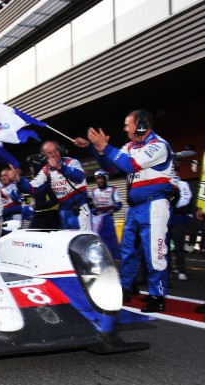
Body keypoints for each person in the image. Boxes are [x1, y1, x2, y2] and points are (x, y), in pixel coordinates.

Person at [76, 109, 174, 313]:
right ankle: (126, 289)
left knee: (155, 253)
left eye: (127, 124)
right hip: (135, 208)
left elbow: (130, 165)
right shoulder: (130, 146)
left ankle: (158, 296)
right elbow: (111, 166)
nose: (124, 129)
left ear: (141, 125)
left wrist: (105, 146)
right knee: (128, 251)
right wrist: (96, 149)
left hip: (155, 205)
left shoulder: (159, 146)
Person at [8, 140, 90, 230]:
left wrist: (59, 167)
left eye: (55, 150)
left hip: (79, 211)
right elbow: (31, 188)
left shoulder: (71, 162)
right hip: (63, 212)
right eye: (49, 153)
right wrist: (18, 179)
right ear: (44, 157)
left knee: (82, 241)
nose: (54, 154)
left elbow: (79, 177)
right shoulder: (46, 170)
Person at [90, 170, 122, 260]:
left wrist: (114, 208)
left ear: (105, 179)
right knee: (97, 240)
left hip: (108, 218)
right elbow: (90, 207)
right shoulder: (93, 191)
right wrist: (95, 211)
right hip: (97, 220)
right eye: (98, 179)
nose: (100, 181)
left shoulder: (113, 189)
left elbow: (119, 203)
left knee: (111, 239)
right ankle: (99, 258)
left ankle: (115, 258)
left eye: (101, 179)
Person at [169, 165, 193, 281]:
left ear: (177, 172)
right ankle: (167, 270)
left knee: (179, 247)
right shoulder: (165, 184)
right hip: (166, 220)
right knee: (165, 248)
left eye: (174, 170)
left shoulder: (183, 184)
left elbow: (186, 199)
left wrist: (173, 206)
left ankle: (181, 270)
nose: (172, 172)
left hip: (179, 220)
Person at [25, 154, 60, 229]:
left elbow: (56, 200)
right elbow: (31, 198)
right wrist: (28, 202)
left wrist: (37, 206)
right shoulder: (34, 181)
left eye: (32, 166)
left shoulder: (49, 179)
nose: (30, 168)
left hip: (50, 217)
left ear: (36, 166)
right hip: (37, 216)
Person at [0, 166, 22, 235]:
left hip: (15, 218)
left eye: (5, 175)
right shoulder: (1, 188)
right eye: (1, 176)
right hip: (5, 219)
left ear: (10, 176)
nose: (2, 177)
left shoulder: (14, 186)